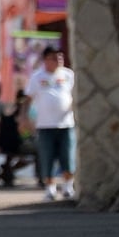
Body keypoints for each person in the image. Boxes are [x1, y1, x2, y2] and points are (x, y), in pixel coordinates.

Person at [25, 44, 78, 201]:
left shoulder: (68, 75)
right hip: (45, 125)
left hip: (66, 123)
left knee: (67, 156)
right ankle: (50, 189)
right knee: (47, 157)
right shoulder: (37, 77)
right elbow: (28, 99)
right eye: (54, 57)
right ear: (45, 60)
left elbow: (75, 95)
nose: (58, 60)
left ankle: (68, 187)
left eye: (60, 57)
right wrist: (24, 117)